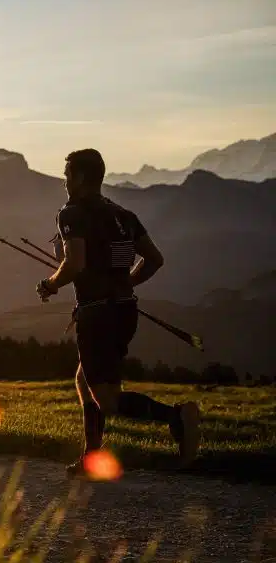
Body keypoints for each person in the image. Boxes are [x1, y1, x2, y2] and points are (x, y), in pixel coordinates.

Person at [36, 148, 201, 476]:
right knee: (85, 380)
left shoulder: (72, 213)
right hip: (125, 311)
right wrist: (124, 284)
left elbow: (74, 263)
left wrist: (49, 284)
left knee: (107, 400)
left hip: (96, 314)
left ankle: (178, 417)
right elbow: (154, 259)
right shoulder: (123, 215)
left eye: (68, 175)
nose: (65, 181)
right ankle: (90, 457)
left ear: (81, 178)